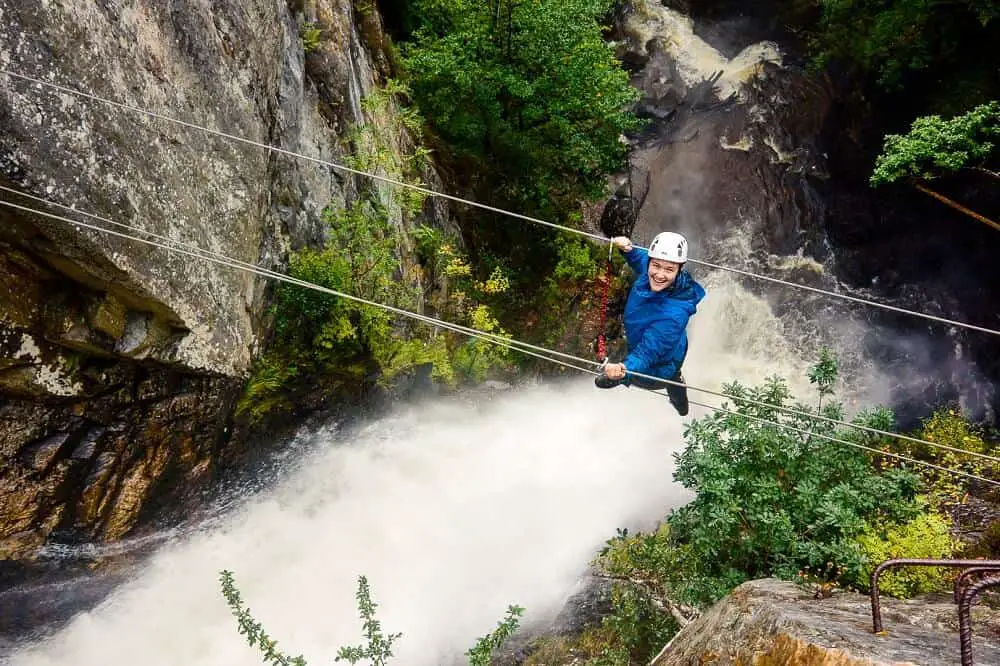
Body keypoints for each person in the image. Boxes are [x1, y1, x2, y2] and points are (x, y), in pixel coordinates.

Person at [594, 231, 705, 416]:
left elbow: (647, 353)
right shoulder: (651, 269)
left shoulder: (672, 317)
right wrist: (629, 250)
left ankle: (681, 404)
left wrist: (624, 371)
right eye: (656, 266)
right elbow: (643, 260)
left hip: (657, 366)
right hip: (669, 344)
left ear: (679, 270)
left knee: (669, 376)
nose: (660, 274)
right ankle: (678, 389)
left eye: (669, 269)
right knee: (671, 370)